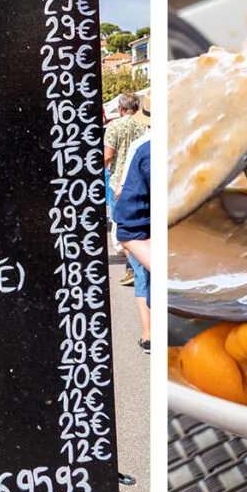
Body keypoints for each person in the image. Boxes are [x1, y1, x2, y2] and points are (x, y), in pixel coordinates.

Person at [103, 92, 148, 285]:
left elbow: (107, 156)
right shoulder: (143, 126)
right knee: (143, 229)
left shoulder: (115, 126)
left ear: (121, 109)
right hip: (142, 182)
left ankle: (137, 269)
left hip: (118, 184)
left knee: (123, 230)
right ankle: (135, 269)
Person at [113, 133, 151, 353]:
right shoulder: (142, 144)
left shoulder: (143, 146)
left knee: (141, 276)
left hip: (138, 209)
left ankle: (148, 335)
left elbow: (121, 188)